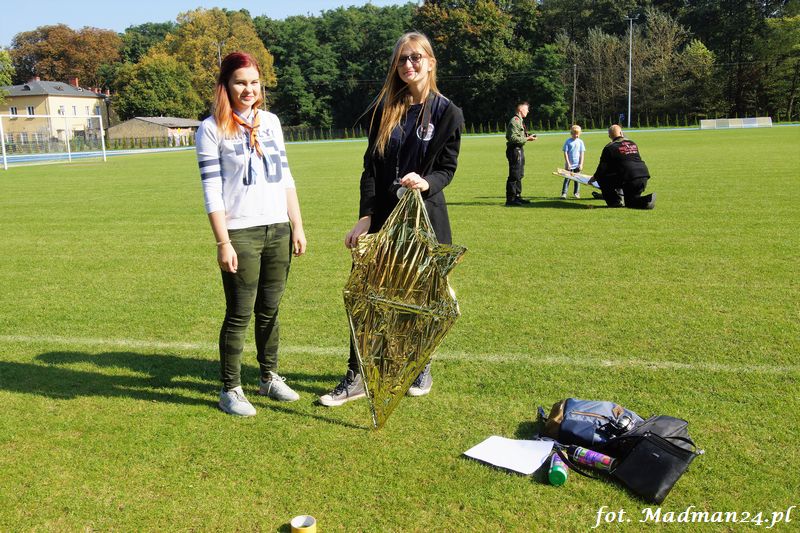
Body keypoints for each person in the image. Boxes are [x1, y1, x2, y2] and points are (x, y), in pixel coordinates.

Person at [318, 32, 464, 407]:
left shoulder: (448, 112)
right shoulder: (385, 110)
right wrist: (365, 216)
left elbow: (447, 169)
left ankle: (420, 365)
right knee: (365, 296)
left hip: (424, 220)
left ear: (430, 62)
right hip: (383, 219)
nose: (408, 65)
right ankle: (357, 377)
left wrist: (426, 182)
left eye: (415, 57)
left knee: (419, 299)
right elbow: (370, 168)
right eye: (401, 59)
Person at [195, 51, 307, 417]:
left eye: (254, 82)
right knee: (240, 313)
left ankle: (269, 377)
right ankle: (230, 389)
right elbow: (212, 190)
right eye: (240, 82)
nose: (249, 89)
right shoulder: (211, 128)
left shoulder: (270, 122)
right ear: (226, 86)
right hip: (240, 232)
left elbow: (285, 177)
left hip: (277, 227)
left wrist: (297, 225)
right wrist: (223, 241)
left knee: (270, 310)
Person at [589, 124, 656, 209]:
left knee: (602, 178)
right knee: (630, 203)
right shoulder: (632, 143)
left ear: (609, 136)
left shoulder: (609, 147)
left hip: (629, 179)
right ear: (621, 133)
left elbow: (602, 168)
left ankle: (614, 202)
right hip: (643, 177)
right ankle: (648, 200)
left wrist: (594, 178)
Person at [505, 101, 537, 206]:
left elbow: (519, 135)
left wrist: (528, 136)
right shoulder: (515, 121)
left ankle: (517, 197)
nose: (528, 111)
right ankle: (510, 199)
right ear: (520, 109)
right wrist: (527, 138)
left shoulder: (519, 121)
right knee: (514, 175)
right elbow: (513, 138)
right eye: (526, 109)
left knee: (519, 174)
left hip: (519, 149)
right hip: (514, 149)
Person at [561, 124, 586, 199]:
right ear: (571, 133)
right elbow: (565, 152)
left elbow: (582, 153)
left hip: (577, 165)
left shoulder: (580, 142)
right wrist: (568, 163)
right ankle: (564, 193)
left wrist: (581, 164)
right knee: (567, 179)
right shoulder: (568, 141)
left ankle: (576, 193)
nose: (576, 135)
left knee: (577, 180)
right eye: (574, 134)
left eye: (578, 134)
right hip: (569, 165)